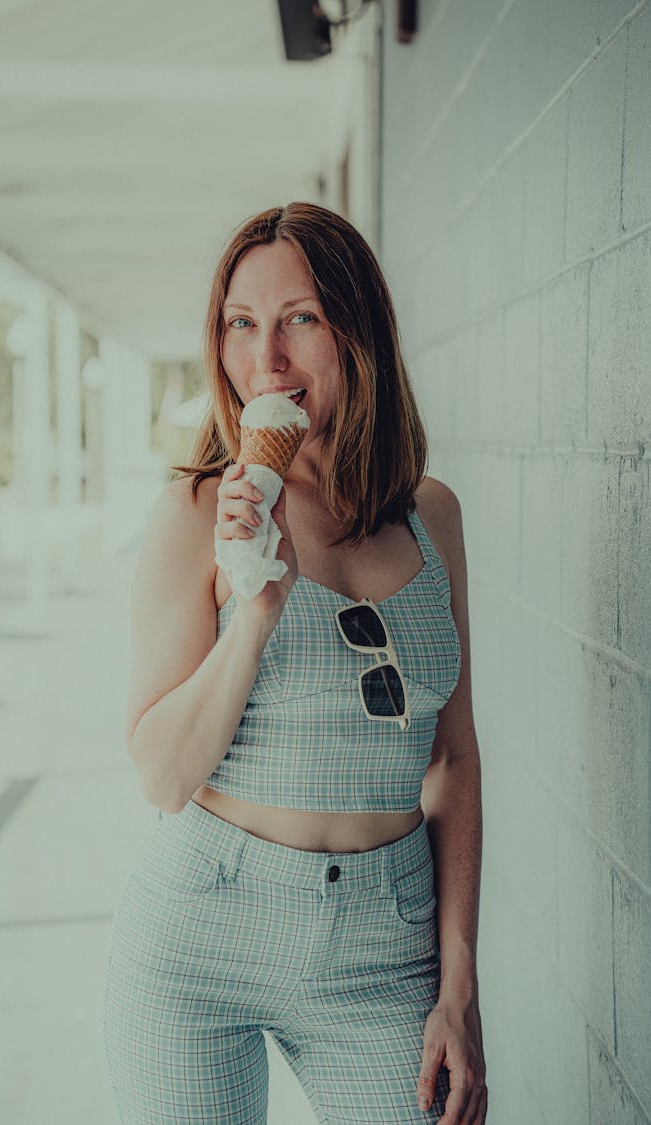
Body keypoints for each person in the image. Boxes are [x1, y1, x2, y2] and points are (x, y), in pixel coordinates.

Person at [101, 202, 487, 1124]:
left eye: (299, 319)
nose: (265, 361)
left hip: (386, 941)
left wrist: (459, 984)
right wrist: (257, 608)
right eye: (242, 324)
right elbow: (161, 775)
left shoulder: (432, 516)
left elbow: (455, 758)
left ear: (359, 332)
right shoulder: (195, 516)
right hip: (201, 932)